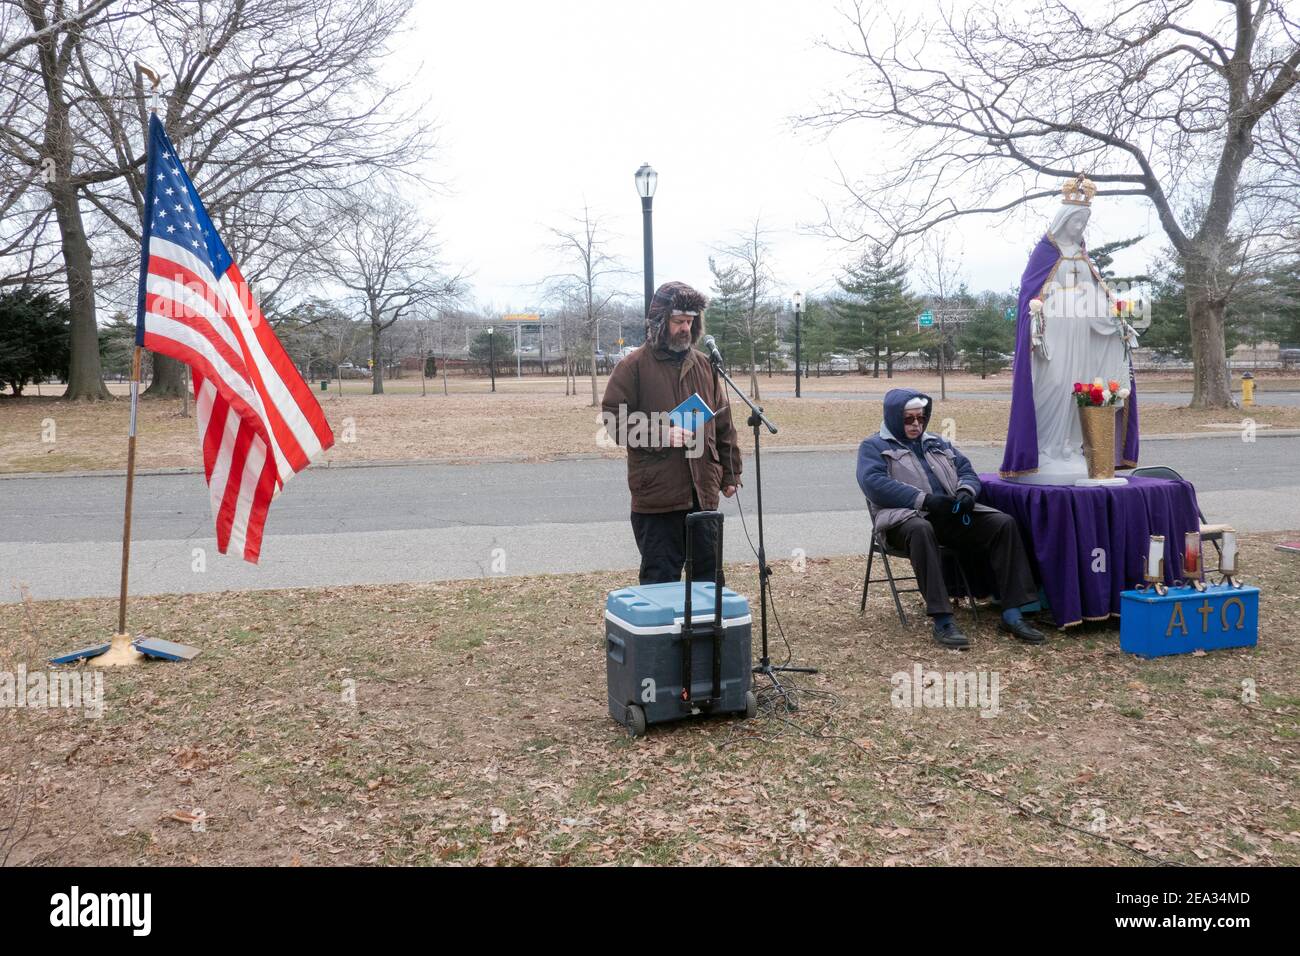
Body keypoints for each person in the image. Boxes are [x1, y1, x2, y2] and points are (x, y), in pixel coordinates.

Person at [857, 388, 1046, 648]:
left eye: (921, 419)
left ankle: (1013, 612)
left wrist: (966, 493)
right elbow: (874, 484)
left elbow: (966, 470)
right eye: (908, 419)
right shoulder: (873, 446)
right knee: (921, 529)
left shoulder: (937, 442)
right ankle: (943, 619)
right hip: (903, 521)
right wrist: (924, 500)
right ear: (893, 418)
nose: (916, 425)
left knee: (1003, 524)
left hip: (949, 516)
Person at [601, 281, 743, 585]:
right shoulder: (633, 366)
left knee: (708, 584)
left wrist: (731, 474)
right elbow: (613, 421)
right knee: (660, 584)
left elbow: (723, 424)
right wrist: (662, 433)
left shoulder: (705, 367)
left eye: (690, 322)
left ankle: (706, 635)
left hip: (702, 496)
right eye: (678, 321)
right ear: (659, 322)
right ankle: (665, 635)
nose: (685, 329)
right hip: (657, 500)